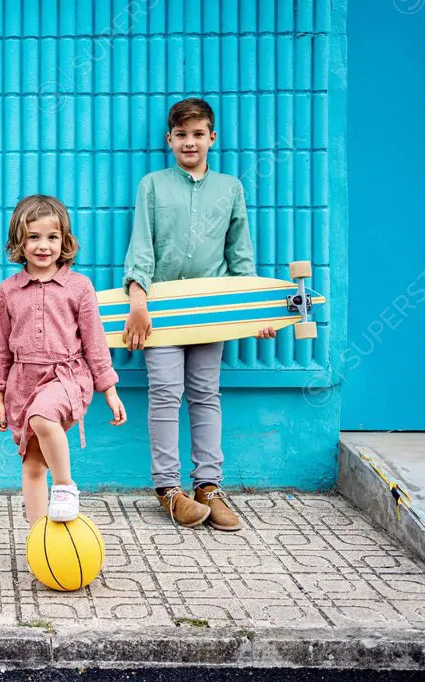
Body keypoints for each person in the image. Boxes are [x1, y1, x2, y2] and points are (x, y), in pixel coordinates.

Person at [121, 98, 276, 531]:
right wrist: (138, 302)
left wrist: (254, 311)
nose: (190, 142)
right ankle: (168, 490)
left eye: (198, 133)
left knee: (206, 394)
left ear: (212, 138)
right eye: (181, 134)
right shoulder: (152, 185)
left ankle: (209, 485)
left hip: (213, 309)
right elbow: (142, 246)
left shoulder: (230, 189)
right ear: (169, 140)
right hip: (161, 309)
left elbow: (240, 256)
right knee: (166, 394)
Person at [0, 194, 127, 525]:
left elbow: (95, 341)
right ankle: (39, 538)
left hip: (67, 377)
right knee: (33, 465)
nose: (43, 246)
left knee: (42, 415)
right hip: (22, 382)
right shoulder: (8, 291)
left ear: (64, 241)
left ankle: (64, 486)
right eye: (33, 237)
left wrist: (109, 391)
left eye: (52, 237)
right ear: (19, 243)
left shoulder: (79, 287)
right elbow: (1, 348)